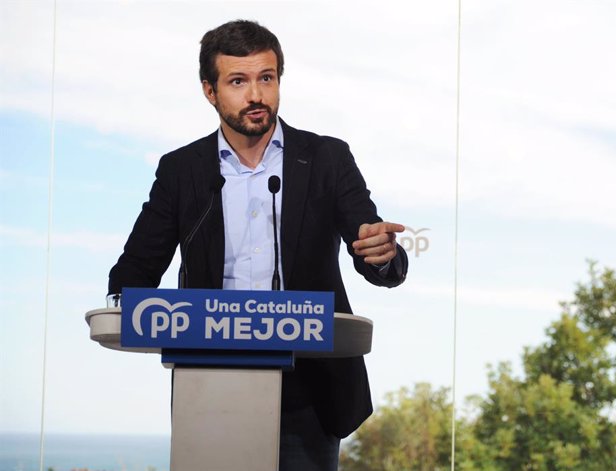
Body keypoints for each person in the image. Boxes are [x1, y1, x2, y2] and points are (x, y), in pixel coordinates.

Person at [108, 19, 408, 471]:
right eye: (237, 81)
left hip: (310, 387)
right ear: (210, 90)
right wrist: (121, 302)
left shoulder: (326, 158)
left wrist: (381, 254)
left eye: (266, 78)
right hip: (210, 386)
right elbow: (134, 272)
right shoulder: (182, 171)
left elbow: (374, 246)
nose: (255, 95)